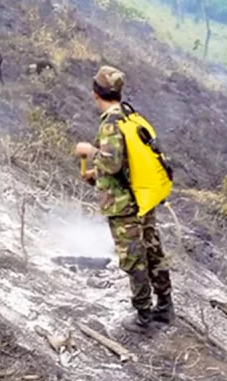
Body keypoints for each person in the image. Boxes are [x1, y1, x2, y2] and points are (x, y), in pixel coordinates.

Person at [74, 66, 173, 333]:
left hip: (123, 206)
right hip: (142, 197)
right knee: (153, 251)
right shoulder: (130, 116)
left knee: (133, 258)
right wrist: (96, 174)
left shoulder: (110, 123)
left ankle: (143, 317)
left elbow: (113, 162)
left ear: (96, 93)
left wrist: (88, 151)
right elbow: (125, 164)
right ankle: (165, 307)